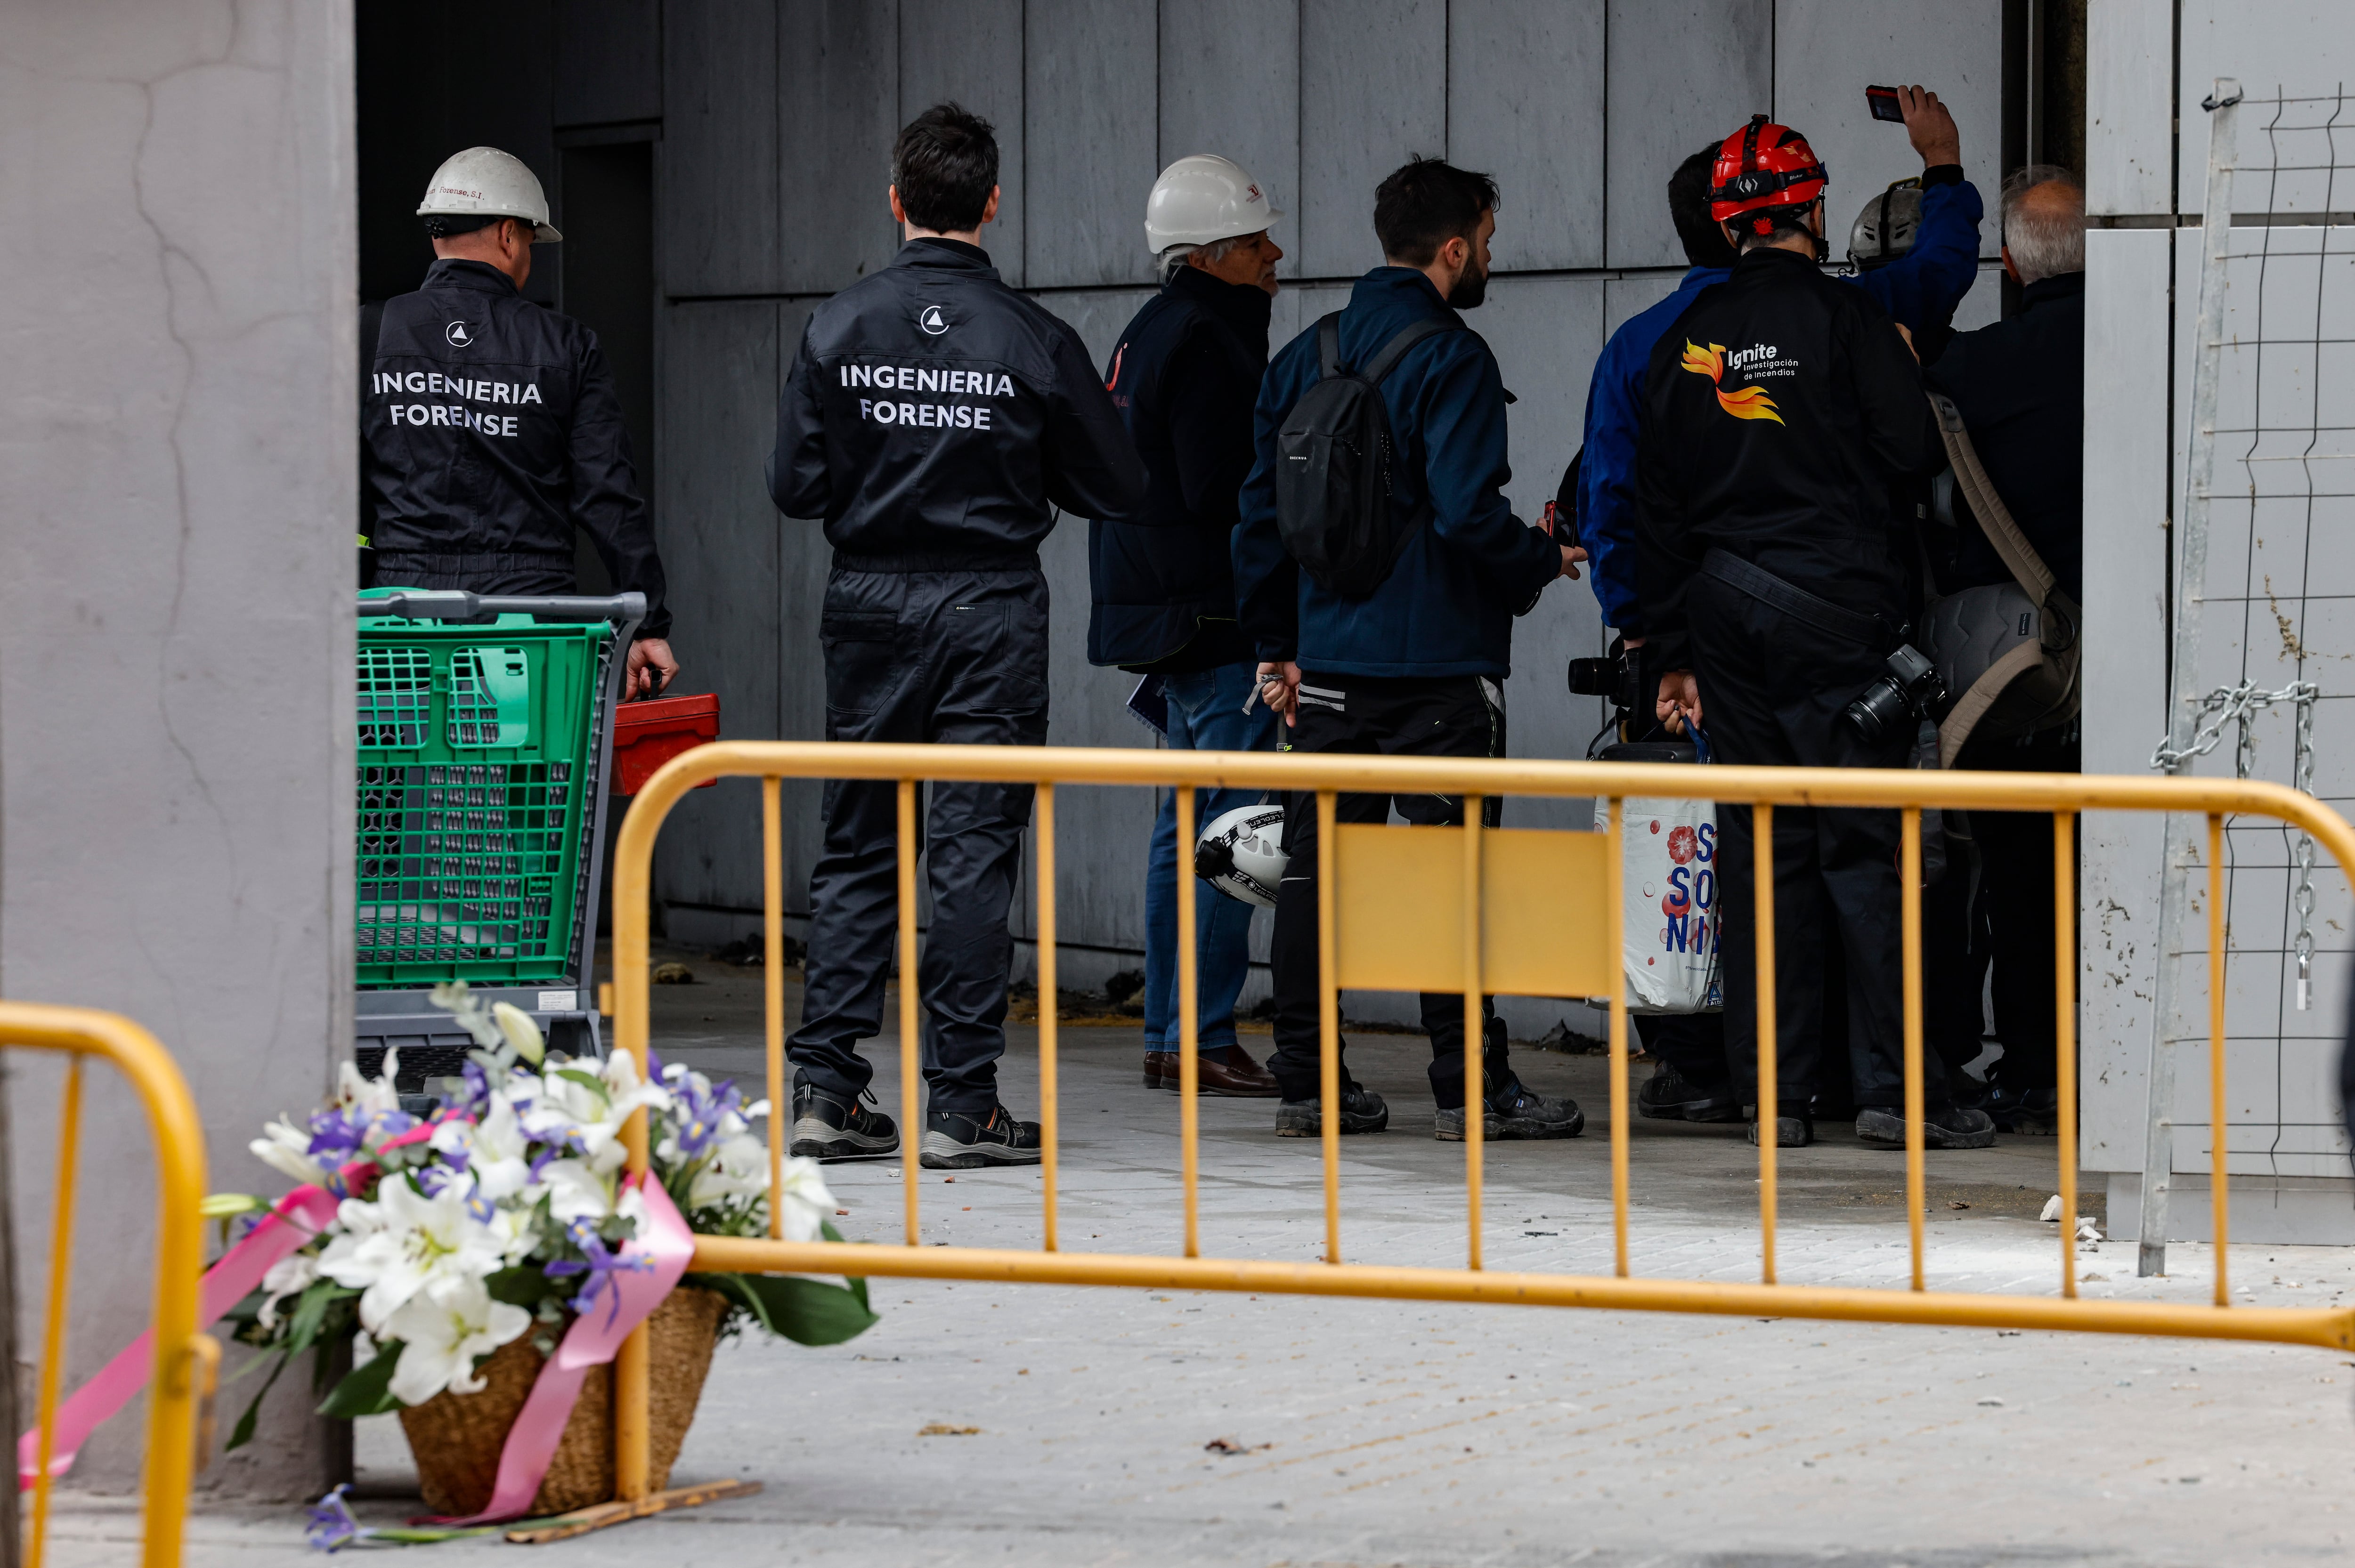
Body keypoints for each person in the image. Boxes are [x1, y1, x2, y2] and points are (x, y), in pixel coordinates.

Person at [1579, 88, 1982, 1125]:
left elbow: (1645, 506)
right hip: (1839, 614)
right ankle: (1892, 1098)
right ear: (1812, 212)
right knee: (1860, 846)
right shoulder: (1849, 320)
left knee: (1761, 849)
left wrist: (1667, 649)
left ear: (1727, 223)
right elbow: (1909, 453)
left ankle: (1778, 1095)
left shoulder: (1674, 343)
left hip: (1720, 624)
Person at [769, 104, 1146, 1169]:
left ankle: (826, 1090)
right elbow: (1118, 485)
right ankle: (961, 1103)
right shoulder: (1035, 338)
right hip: (989, 608)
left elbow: (794, 487)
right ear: (990, 201)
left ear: (896, 202)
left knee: (856, 844)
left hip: (871, 603)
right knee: (972, 853)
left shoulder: (838, 326)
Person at [1234, 157, 1587, 1141]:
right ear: (1454, 247)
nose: (1489, 260)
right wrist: (1539, 562)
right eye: (1487, 242)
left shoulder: (1304, 356)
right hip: (1437, 668)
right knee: (1451, 877)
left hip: (1326, 666)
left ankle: (1308, 1083)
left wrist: (1277, 647)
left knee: (1312, 878)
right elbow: (1471, 516)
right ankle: (1468, 1090)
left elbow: (1258, 519)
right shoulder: (1454, 358)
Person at [1090, 156, 1287, 1099]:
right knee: (1236, 831)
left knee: (1182, 834)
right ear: (1212, 255)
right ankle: (1204, 1037)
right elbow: (1226, 490)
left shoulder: (1147, 330)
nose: (1274, 254)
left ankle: (1174, 1037)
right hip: (1215, 620)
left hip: (1157, 617)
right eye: (1256, 242)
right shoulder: (1212, 339)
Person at [364, 145, 677, 699]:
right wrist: (646, 620)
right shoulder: (566, 345)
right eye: (531, 241)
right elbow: (608, 496)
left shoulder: (372, 332)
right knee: (527, 777)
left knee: (405, 771)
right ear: (509, 234)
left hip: (401, 618)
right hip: (531, 620)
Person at [1926, 167, 2087, 1132]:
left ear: (2009, 266)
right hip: (2142, 667)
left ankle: (2032, 1067)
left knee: (2017, 869)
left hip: (2021, 672)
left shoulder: (1973, 370)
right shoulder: (2149, 351)